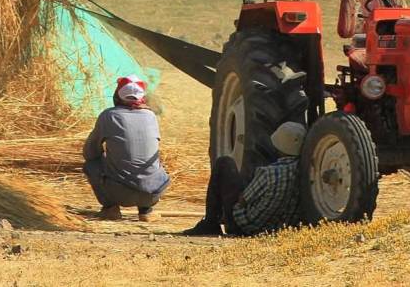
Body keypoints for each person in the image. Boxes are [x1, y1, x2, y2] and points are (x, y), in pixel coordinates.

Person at [183, 121, 306, 237]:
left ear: (278, 145)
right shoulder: (305, 172)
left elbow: (243, 200)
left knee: (225, 163)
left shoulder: (268, 173)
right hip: (282, 229)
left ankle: (211, 223)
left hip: (246, 227)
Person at [83, 76, 170, 222]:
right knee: (154, 164)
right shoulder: (151, 116)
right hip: (153, 192)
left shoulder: (109, 116)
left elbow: (89, 152)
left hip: (119, 193)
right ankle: (146, 211)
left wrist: (107, 158)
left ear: (117, 96)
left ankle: (110, 208)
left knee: (91, 165)